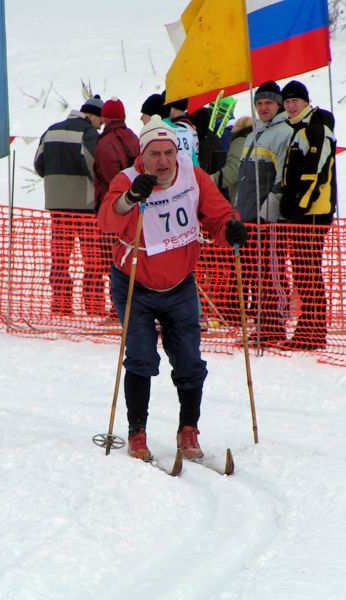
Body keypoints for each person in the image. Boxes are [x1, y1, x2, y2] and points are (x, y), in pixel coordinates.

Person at [97, 116, 249, 462]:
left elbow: (218, 216)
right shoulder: (128, 179)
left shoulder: (193, 177)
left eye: (168, 152)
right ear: (142, 155)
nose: (163, 161)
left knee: (189, 361)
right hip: (135, 283)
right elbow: (107, 219)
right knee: (141, 357)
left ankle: (188, 429)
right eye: (155, 154)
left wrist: (231, 230)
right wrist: (130, 199)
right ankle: (137, 433)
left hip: (180, 283)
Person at [279, 80, 338, 351]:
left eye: (295, 101)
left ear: (305, 102)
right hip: (304, 211)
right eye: (287, 102)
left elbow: (315, 171)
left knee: (307, 271)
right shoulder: (299, 128)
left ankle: (312, 332)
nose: (291, 106)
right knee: (303, 271)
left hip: (314, 212)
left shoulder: (316, 128)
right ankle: (309, 329)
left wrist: (299, 205)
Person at [234, 81, 294, 345]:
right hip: (247, 217)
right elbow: (244, 178)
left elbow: (282, 178)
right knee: (255, 273)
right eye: (259, 103)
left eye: (268, 103)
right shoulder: (252, 134)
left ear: (278, 104)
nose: (263, 107)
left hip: (267, 220)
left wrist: (266, 212)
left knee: (271, 273)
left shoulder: (283, 133)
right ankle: (263, 324)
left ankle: (274, 326)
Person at [34, 95, 104, 316]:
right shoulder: (89, 133)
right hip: (85, 204)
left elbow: (38, 164)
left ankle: (61, 304)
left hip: (57, 204)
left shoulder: (51, 131)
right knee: (92, 258)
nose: (100, 126)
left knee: (60, 257)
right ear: (91, 115)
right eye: (100, 121)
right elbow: (95, 164)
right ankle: (93, 306)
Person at [92, 97, 140, 318]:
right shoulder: (134, 138)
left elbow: (113, 179)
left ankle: (119, 308)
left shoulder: (104, 144)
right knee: (134, 256)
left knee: (113, 259)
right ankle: (134, 304)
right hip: (139, 206)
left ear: (105, 117)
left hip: (114, 209)